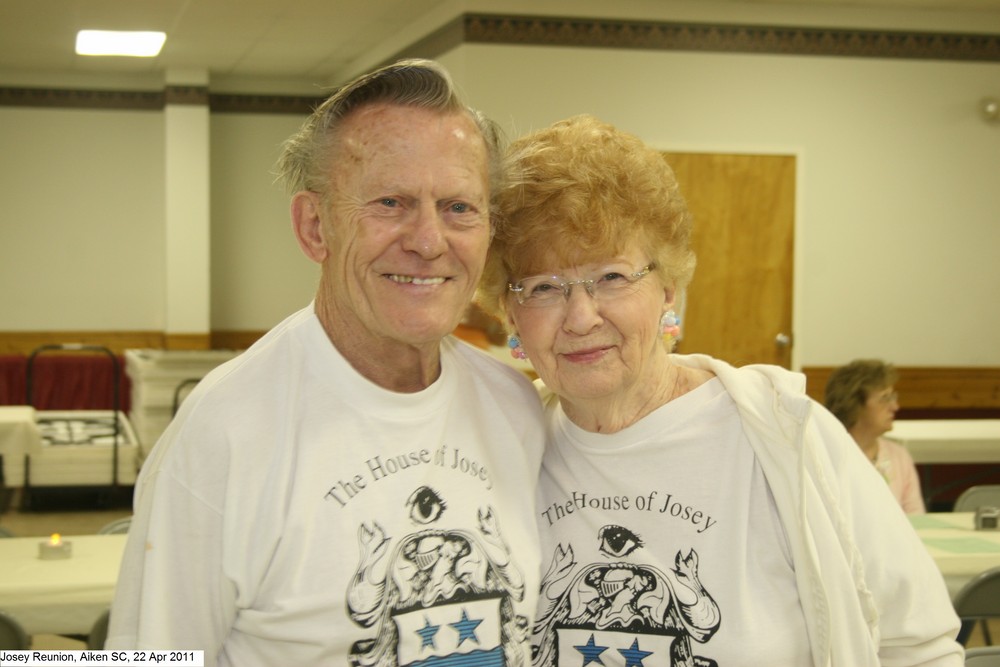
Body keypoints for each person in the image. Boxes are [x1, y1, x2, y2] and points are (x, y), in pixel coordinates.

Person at [476, 114, 962, 666]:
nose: (582, 316)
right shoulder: (502, 451)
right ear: (509, 312)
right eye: (544, 288)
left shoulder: (786, 437)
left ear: (669, 290)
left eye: (612, 277)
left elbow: (919, 646)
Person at [107, 60, 545, 666]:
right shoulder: (224, 434)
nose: (428, 240)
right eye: (391, 202)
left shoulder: (516, 408)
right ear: (315, 226)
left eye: (459, 208)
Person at [825, 359, 926, 514]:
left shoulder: (898, 456)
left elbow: (916, 519)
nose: (895, 407)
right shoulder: (826, 457)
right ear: (854, 404)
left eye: (893, 397)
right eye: (885, 398)